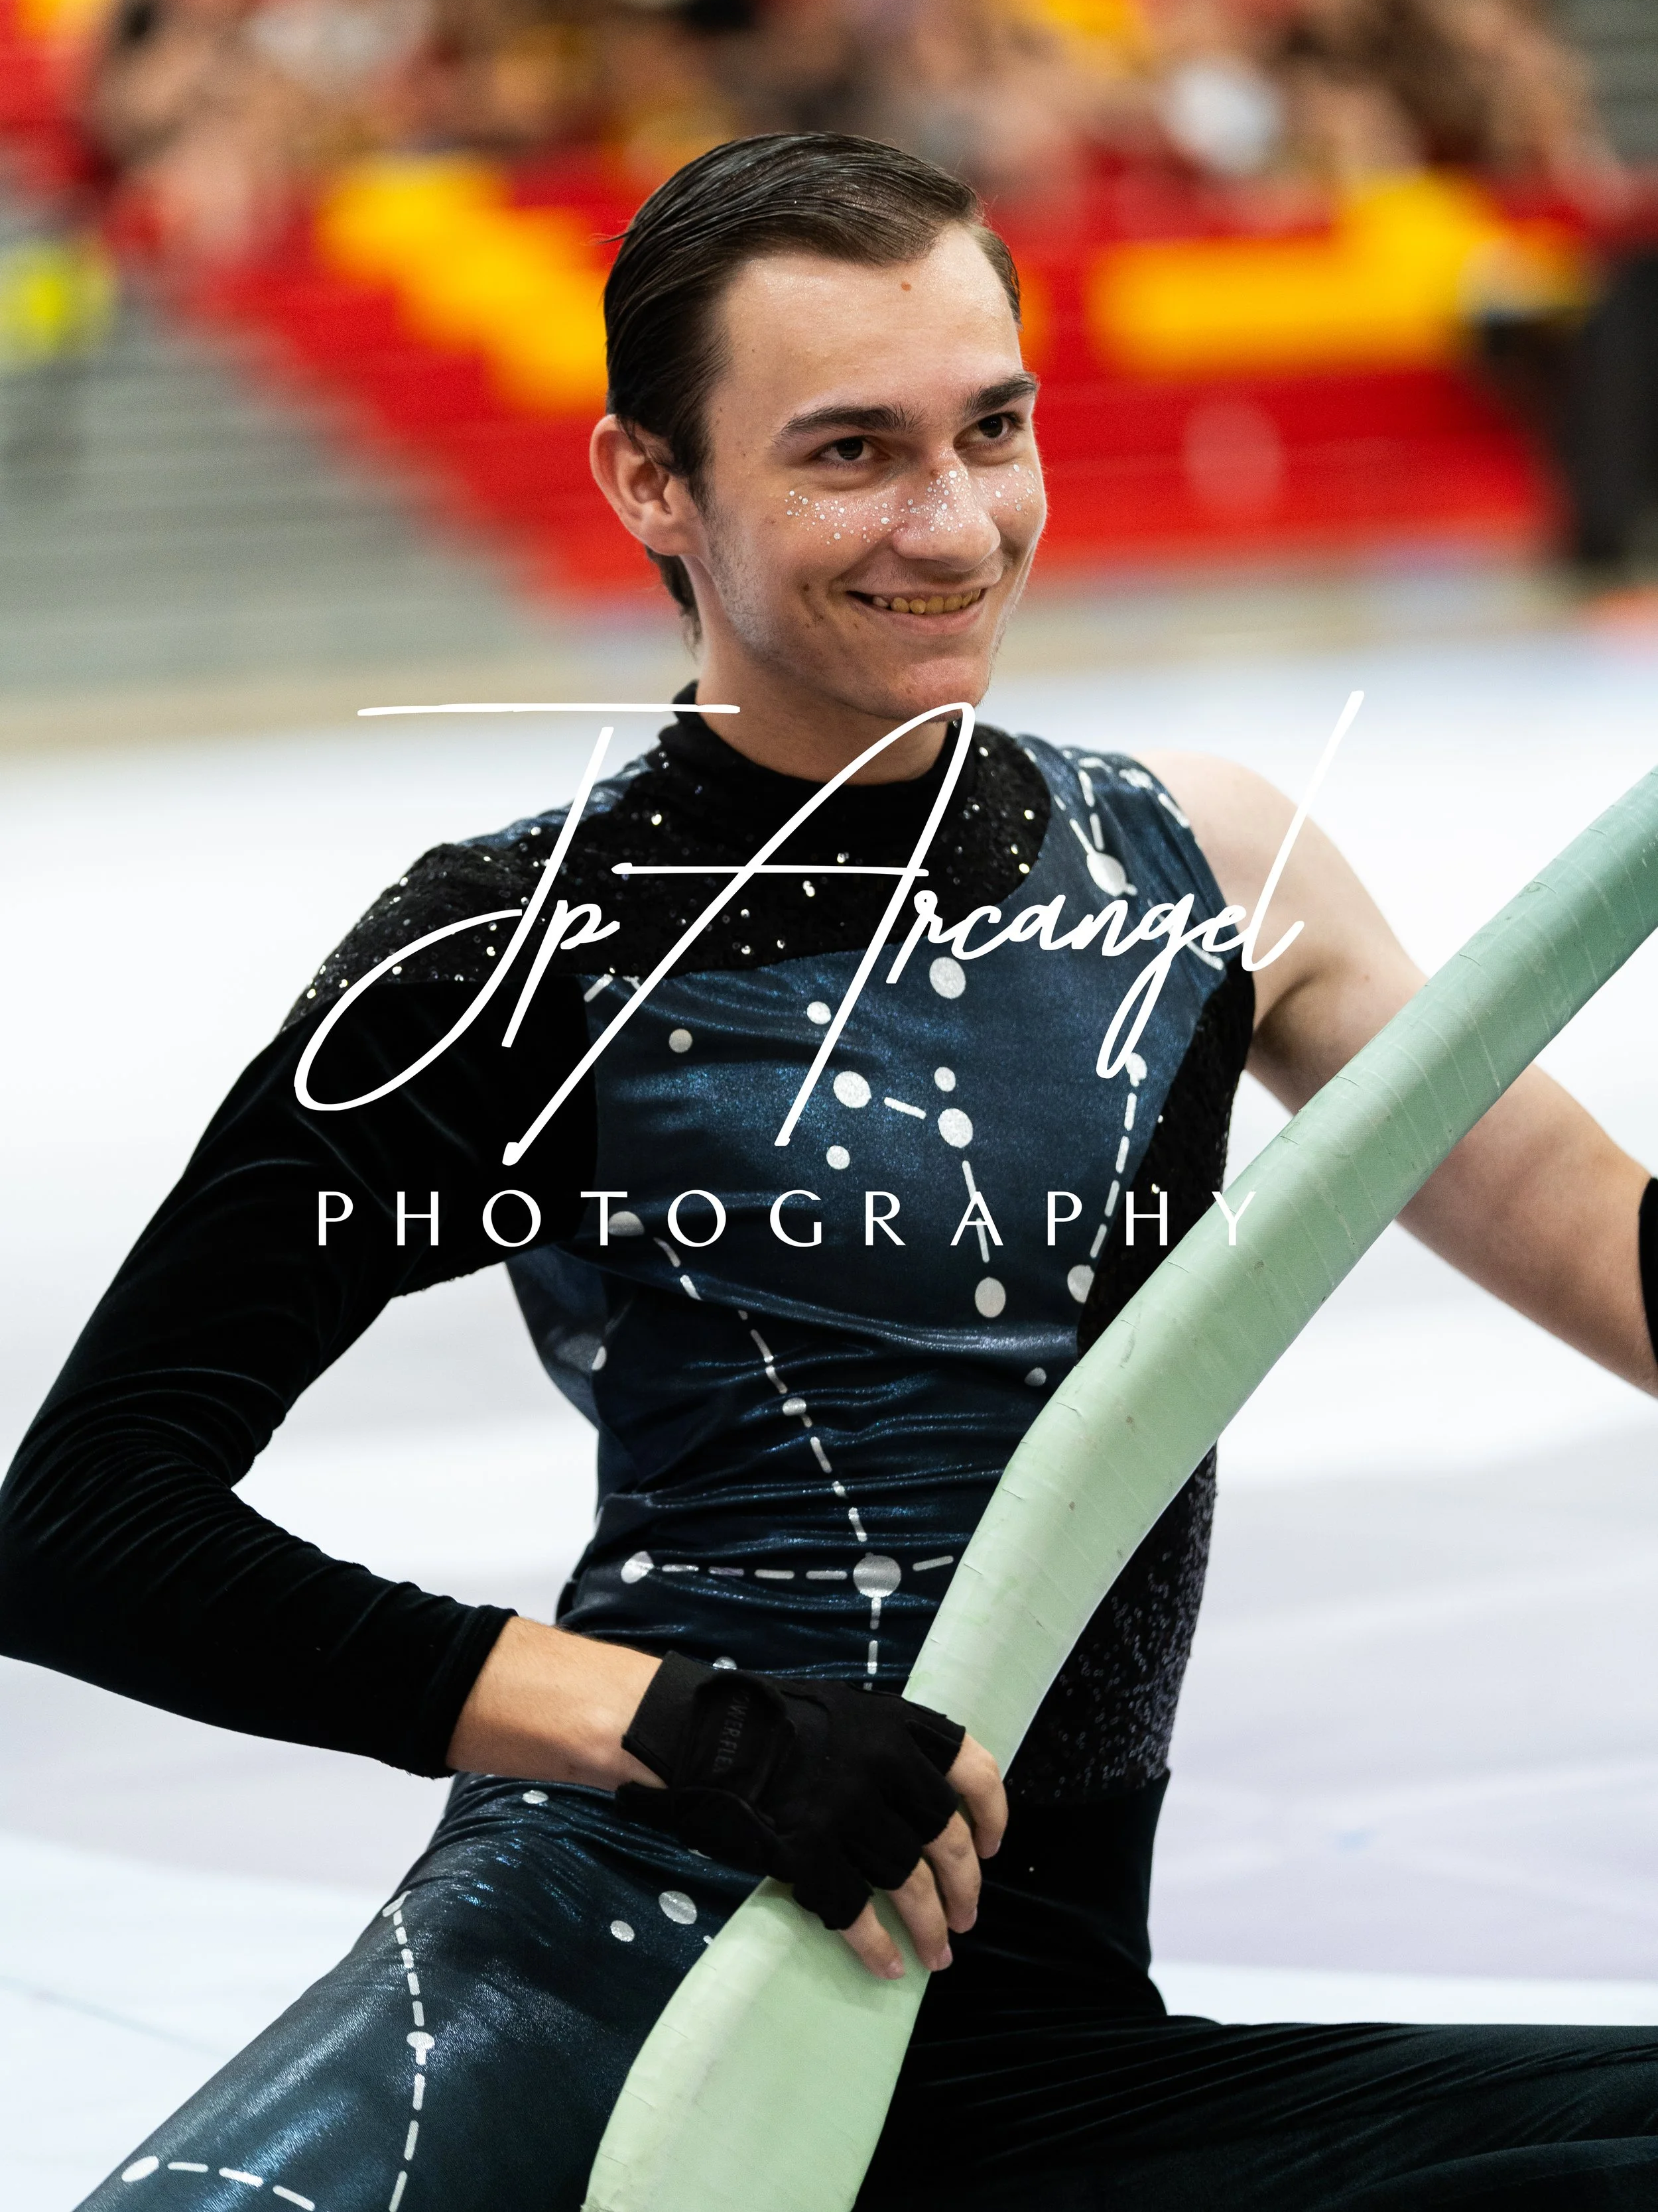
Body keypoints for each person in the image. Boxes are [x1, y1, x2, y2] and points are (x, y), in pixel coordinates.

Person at [3, 131, 1657, 2212]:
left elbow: (1610, 1253)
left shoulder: (1207, 872)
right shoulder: (517, 947)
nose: (951, 523)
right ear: (650, 485)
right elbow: (81, 1522)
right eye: (852, 452)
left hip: (1016, 2026)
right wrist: (697, 1731)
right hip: (612, 1958)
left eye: (993, 428)